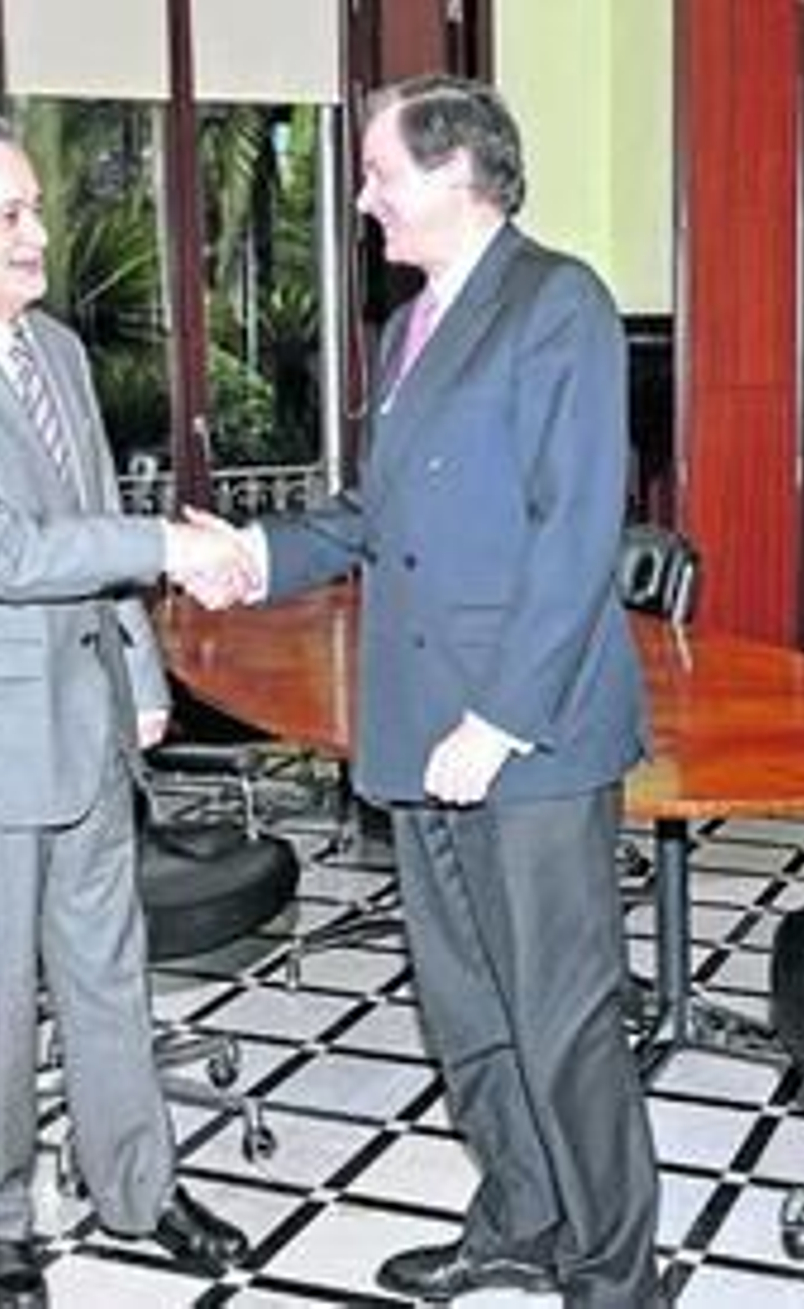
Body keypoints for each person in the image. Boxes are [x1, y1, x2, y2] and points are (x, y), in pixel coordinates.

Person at [216, 74, 663, 1307]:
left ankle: (615, 1275)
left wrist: (501, 720)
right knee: (466, 1005)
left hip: (528, 733)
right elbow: (376, 513)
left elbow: (576, 532)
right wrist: (253, 553)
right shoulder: (407, 325)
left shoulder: (557, 299)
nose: (363, 201)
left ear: (459, 173)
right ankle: (519, 1219)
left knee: (562, 1017)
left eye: (379, 175)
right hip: (421, 721)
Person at [0, 110, 257, 1309]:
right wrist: (169, 544)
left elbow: (89, 515)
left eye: (33, 207)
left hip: (85, 724)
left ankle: (138, 1188)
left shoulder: (58, 350)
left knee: (110, 976)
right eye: (10, 213)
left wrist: (139, 680)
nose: (39, 232)